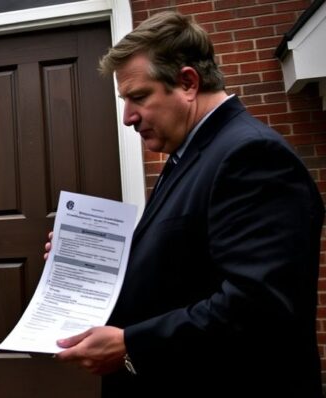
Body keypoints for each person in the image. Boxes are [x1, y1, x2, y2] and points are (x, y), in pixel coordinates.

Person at [48, 11, 324, 397]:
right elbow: (184, 265)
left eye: (138, 97)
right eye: (125, 100)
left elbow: (259, 305)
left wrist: (131, 344)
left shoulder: (251, 156)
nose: (128, 117)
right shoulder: (189, 153)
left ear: (188, 82)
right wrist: (90, 259)